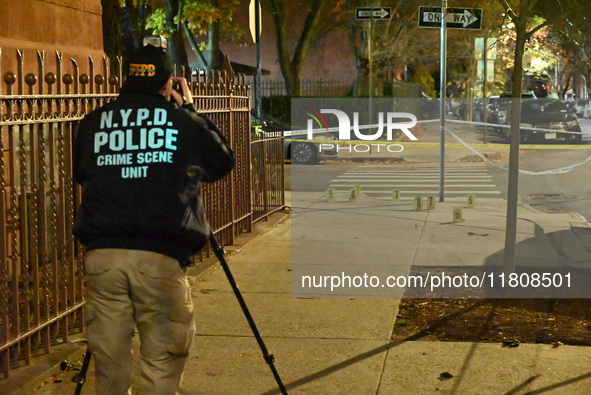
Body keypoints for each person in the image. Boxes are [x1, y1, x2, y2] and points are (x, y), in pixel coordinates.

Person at [73, 43, 234, 394]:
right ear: (169, 83)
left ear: (126, 78)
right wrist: (190, 108)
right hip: (160, 255)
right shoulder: (181, 121)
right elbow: (222, 162)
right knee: (163, 358)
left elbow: (83, 172)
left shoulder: (93, 123)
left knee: (110, 358)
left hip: (104, 256)